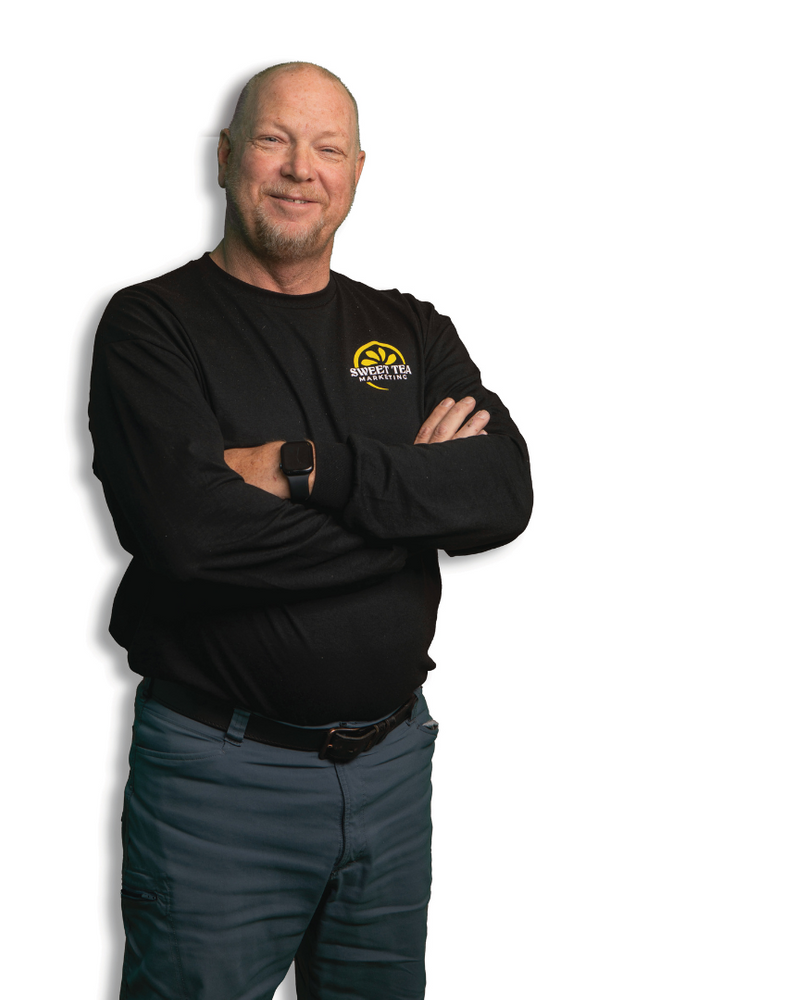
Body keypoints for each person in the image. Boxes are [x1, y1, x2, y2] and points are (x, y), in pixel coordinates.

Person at [89, 61, 532, 1000]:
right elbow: (193, 536)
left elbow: (500, 494)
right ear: (224, 156)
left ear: (358, 171)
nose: (301, 169)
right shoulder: (151, 326)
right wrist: (413, 505)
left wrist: (307, 469)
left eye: (327, 147)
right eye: (273, 139)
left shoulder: (409, 330)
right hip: (221, 780)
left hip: (392, 767)